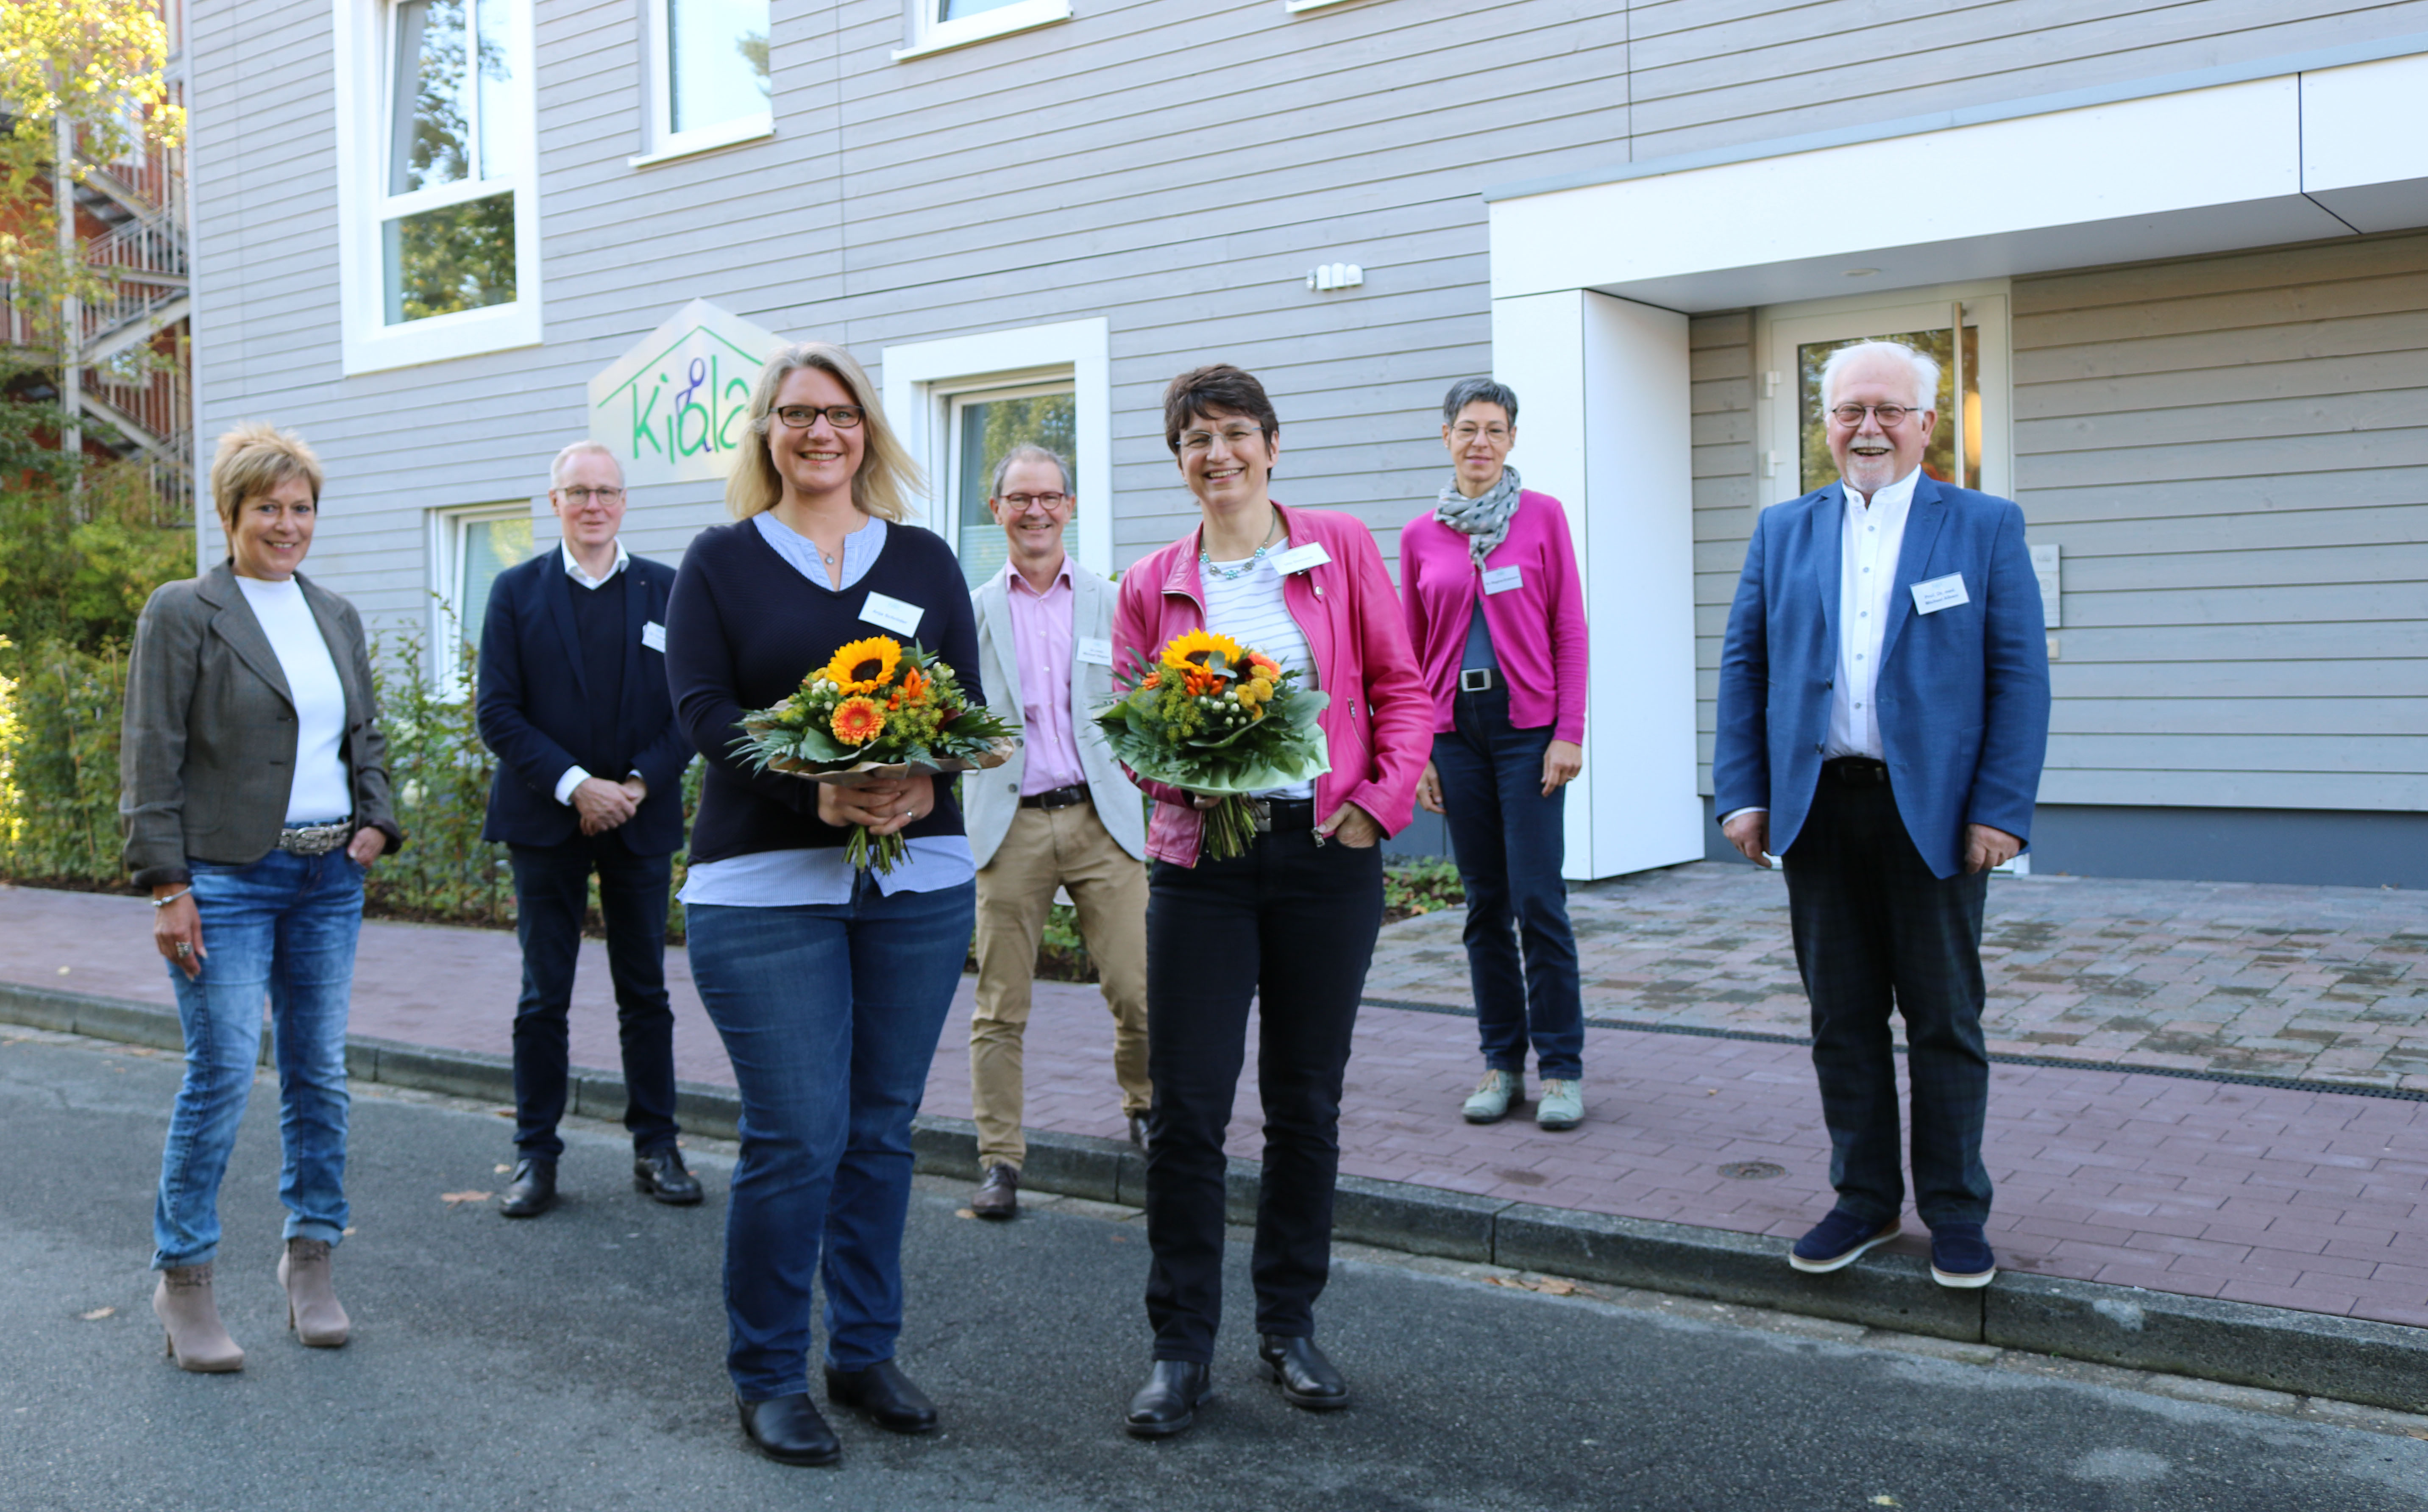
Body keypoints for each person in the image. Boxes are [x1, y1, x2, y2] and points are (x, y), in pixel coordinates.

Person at [664, 342, 980, 1468]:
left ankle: (862, 1351)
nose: (818, 433)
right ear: (766, 432)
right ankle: (765, 1376)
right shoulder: (718, 562)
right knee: (797, 1135)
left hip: (918, 885)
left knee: (882, 1133)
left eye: (838, 414)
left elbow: (971, 712)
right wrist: (814, 785)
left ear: (867, 430)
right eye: (795, 414)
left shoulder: (929, 562)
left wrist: (925, 778)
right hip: (763, 891)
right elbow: (700, 709)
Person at [1111, 364, 1429, 1438]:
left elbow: (1401, 687)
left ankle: (1287, 1325)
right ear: (1179, 460)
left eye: (1236, 433)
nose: (1218, 454)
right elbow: (1129, 723)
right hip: (1200, 866)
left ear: (1272, 445)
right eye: (1196, 439)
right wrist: (1180, 769)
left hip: (1324, 853)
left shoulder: (1337, 546)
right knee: (1188, 1111)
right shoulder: (1152, 580)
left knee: (1304, 1102)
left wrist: (1375, 808)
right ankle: (1178, 1347)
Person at [1712, 339, 2050, 1290]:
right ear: (1823, 424)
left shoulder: (1981, 524)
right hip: (1817, 807)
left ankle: (1953, 1208)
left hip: (1935, 816)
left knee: (1943, 1018)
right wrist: (1742, 790)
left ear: (1925, 424)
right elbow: (1745, 665)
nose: (1866, 427)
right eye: (1846, 410)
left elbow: (2018, 675)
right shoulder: (1784, 529)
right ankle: (1862, 1197)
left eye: (1887, 411)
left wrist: (2000, 808)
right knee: (1841, 1018)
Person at [120, 422, 401, 1371]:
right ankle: (185, 1279)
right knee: (225, 1071)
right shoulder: (184, 611)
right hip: (226, 881)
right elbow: (150, 751)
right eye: (268, 508)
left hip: (329, 879)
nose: (288, 524)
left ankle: (310, 1259)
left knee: (320, 1072)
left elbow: (363, 734)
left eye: (301, 507)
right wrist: (167, 884)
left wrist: (376, 819)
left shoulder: (336, 612)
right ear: (230, 514)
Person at [475, 441, 700, 1219]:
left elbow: (692, 710)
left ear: (625, 502)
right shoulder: (514, 592)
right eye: (578, 492)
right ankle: (535, 1157)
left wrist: (634, 785)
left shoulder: (671, 592)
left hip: (639, 818)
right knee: (545, 996)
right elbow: (496, 713)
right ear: (554, 501)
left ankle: (657, 1147)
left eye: (606, 491)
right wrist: (578, 787)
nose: (593, 505)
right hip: (545, 820)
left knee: (646, 992)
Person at [963, 444, 1150, 1220]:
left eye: (1049, 497)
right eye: (1018, 499)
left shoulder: (1115, 601)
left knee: (1140, 990)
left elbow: (1151, 700)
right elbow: (947, 714)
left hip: (1104, 818)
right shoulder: (973, 611)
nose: (1035, 510)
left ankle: (1145, 1106)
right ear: (997, 510)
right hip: (1011, 827)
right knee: (1000, 1005)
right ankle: (1000, 1160)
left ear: (1070, 506)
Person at [1401, 378, 1590, 1132]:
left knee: (1538, 900)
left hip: (1527, 730)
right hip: (1456, 735)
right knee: (1483, 905)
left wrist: (1569, 731)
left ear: (1511, 441)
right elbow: (1408, 656)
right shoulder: (1421, 536)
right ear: (1445, 434)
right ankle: (1500, 1064)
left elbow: (1570, 630)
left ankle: (1564, 1071)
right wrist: (1417, 755)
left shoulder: (1542, 518)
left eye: (1496, 430)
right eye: (1468, 428)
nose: (1481, 442)